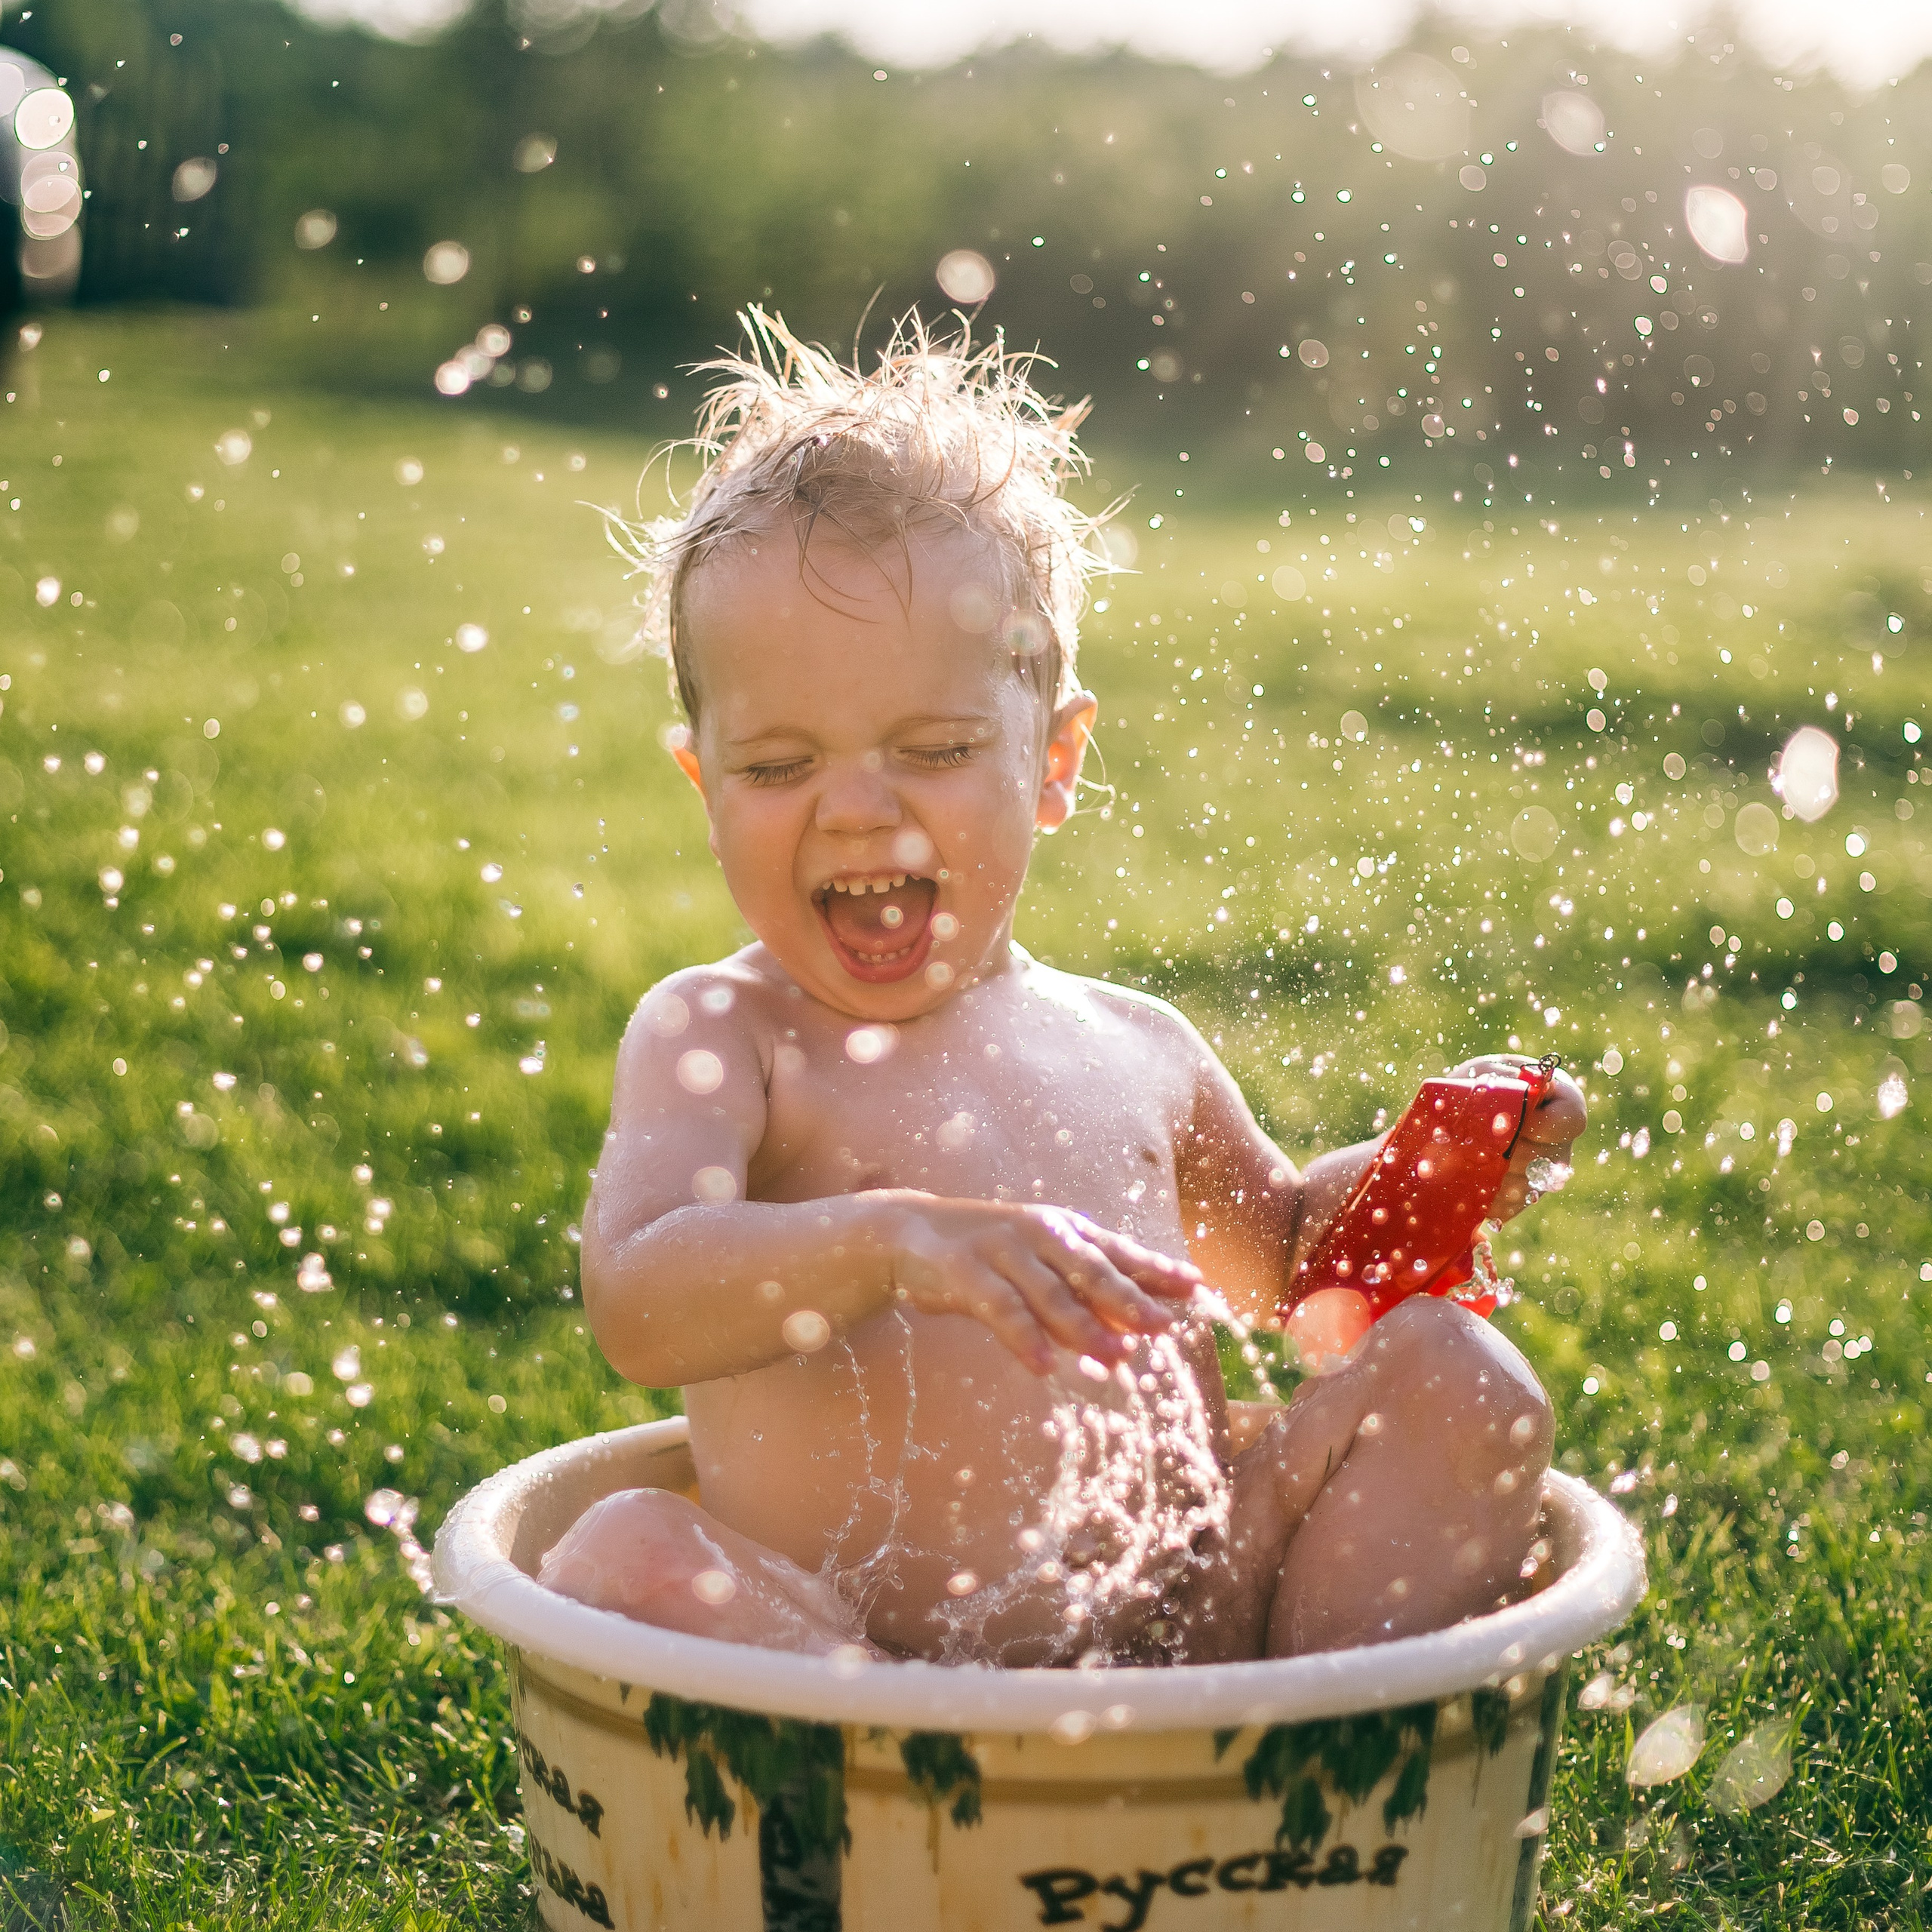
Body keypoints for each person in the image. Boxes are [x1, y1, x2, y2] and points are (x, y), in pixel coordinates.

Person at [539, 311, 1585, 1666]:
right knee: (621, 1555)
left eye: (935, 747)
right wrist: (893, 1243)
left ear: (1054, 760)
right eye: (778, 767)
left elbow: (1285, 1268)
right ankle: (930, 1821)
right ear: (704, 783)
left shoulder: (1135, 1048)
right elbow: (640, 1297)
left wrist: (1418, 1180)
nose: (855, 810)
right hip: (851, 1668)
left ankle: (1310, 1754)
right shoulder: (726, 1034)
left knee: (1462, 1377)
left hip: (1187, 1630)